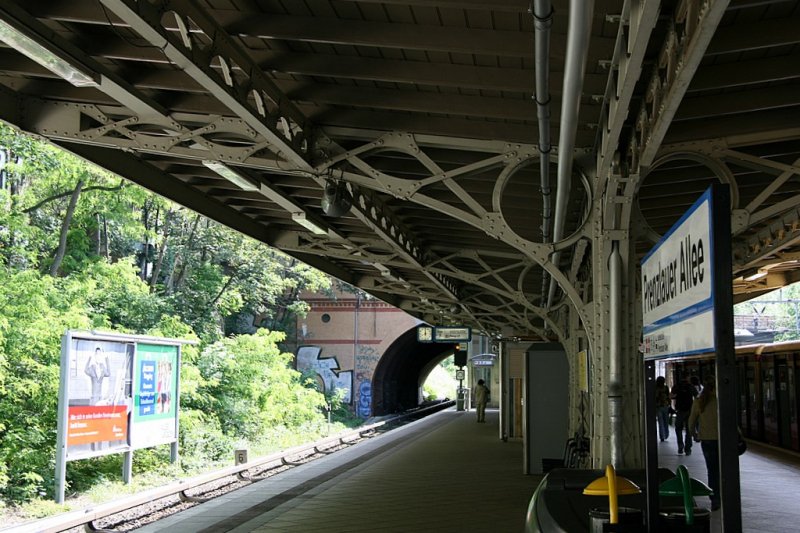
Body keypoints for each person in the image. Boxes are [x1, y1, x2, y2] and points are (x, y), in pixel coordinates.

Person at [688, 375, 720, 511]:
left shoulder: (699, 401)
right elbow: (731, 420)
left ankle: (715, 498)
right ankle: (725, 495)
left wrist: (694, 434)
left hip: (706, 440)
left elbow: (691, 422)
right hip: (722, 440)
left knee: (712, 471)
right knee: (723, 470)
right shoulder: (721, 401)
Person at [671, 374, 697, 455]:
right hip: (690, 410)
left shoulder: (677, 386)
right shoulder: (691, 386)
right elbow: (697, 397)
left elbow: (672, 396)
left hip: (680, 411)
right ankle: (688, 448)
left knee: (678, 428)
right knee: (688, 429)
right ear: (687, 378)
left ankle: (680, 446)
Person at [655, 376, 671, 442]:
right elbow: (668, 396)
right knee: (666, 422)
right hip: (665, 406)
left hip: (658, 407)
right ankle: (666, 434)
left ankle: (662, 436)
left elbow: (655, 397)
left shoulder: (656, 388)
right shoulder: (666, 388)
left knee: (660, 422)